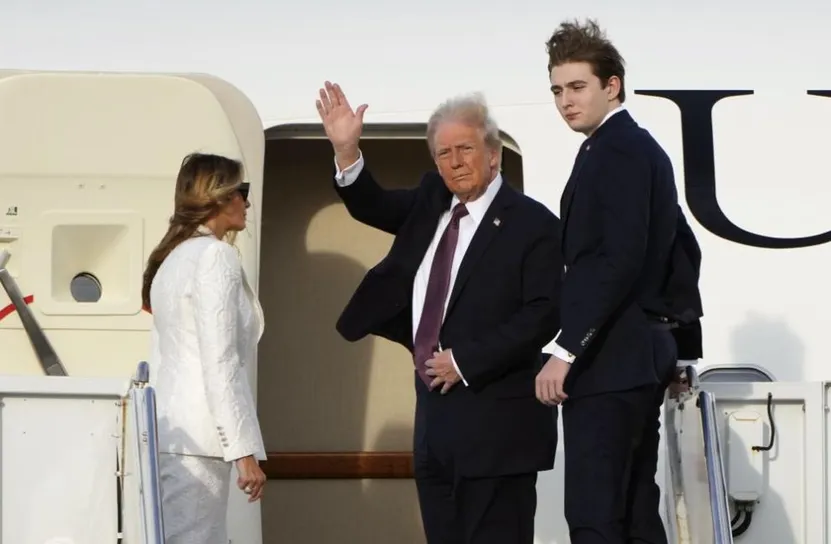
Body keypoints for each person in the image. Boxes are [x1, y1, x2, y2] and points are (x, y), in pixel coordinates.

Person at [316, 81, 562, 544]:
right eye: (444, 153)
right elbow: (372, 203)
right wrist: (346, 150)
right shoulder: (431, 201)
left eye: (465, 149)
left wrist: (465, 360)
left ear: (494, 155)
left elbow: (543, 315)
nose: (455, 161)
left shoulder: (534, 224)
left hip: (497, 429)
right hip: (434, 427)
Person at [535, 19, 702, 544]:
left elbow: (618, 260)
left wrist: (566, 348)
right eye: (557, 90)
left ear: (613, 86)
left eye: (577, 86)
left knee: (596, 514)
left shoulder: (617, 150)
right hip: (639, 355)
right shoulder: (635, 148)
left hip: (611, 357)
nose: (566, 101)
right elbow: (683, 249)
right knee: (632, 510)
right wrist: (679, 349)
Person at [142, 152, 267, 544]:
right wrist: (243, 450)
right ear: (219, 196)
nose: (247, 202)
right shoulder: (215, 256)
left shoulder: (171, 258)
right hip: (200, 439)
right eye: (242, 191)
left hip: (171, 432)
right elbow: (220, 360)